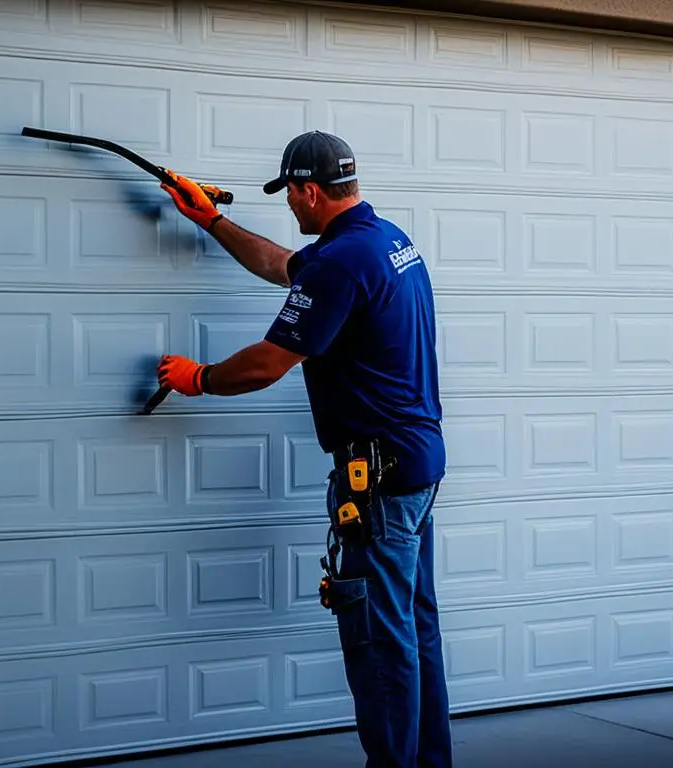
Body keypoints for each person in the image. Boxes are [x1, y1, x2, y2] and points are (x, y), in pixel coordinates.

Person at [153, 130, 452, 768]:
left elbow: (266, 364)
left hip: (379, 481)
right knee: (412, 629)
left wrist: (198, 378)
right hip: (415, 470)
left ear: (311, 190)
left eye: (290, 192)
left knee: (379, 639)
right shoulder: (383, 243)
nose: (289, 203)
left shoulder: (343, 263)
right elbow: (283, 265)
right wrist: (213, 221)